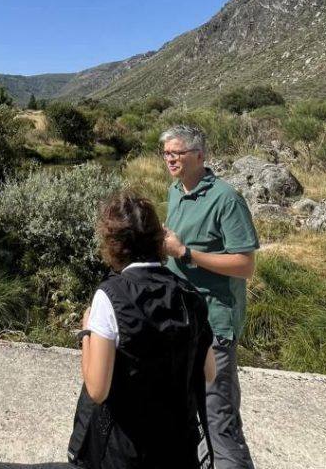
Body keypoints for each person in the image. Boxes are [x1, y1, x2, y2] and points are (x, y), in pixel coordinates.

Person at [69, 190, 216, 469]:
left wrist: (86, 333)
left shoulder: (110, 296)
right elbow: (209, 373)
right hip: (179, 446)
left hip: (129, 448)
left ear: (112, 244)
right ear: (159, 238)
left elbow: (97, 390)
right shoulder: (189, 294)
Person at [160, 124, 259, 469]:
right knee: (188, 413)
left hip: (214, 324)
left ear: (199, 155)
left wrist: (186, 253)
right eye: (166, 153)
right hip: (180, 319)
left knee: (219, 419)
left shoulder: (226, 199)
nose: (170, 159)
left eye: (177, 153)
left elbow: (244, 265)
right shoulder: (176, 191)